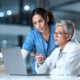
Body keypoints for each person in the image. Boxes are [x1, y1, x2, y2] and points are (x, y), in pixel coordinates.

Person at [21, 7, 76, 74]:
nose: (38, 25)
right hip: (40, 70)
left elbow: (72, 42)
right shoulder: (33, 34)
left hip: (57, 70)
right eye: (35, 23)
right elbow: (22, 55)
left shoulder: (57, 29)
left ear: (46, 19)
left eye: (40, 21)